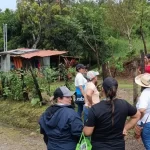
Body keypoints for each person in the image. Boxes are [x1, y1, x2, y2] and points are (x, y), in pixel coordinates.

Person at [83, 77, 141, 150]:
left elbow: (87, 132)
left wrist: (83, 127)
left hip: (99, 146)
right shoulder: (124, 104)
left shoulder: (95, 109)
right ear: (116, 89)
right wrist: (125, 128)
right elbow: (137, 115)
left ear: (102, 89)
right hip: (118, 146)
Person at [39, 86, 83, 150]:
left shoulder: (46, 113)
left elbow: (43, 131)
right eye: (67, 97)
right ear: (59, 99)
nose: (70, 99)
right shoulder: (71, 114)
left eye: (71, 96)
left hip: (51, 147)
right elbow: (79, 133)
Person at [135, 73, 150, 150]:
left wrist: (138, 121)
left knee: (148, 143)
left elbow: (142, 110)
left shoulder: (145, 93)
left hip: (147, 123)